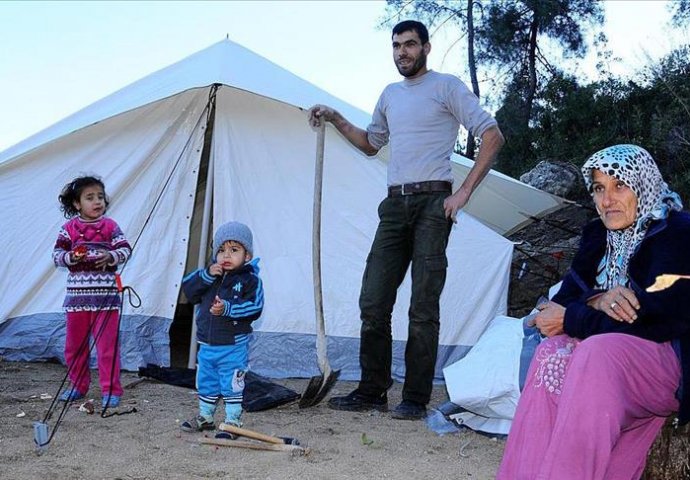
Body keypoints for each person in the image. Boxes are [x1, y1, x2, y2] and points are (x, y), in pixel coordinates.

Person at [308, 20, 505, 420]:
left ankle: (414, 398)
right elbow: (370, 143)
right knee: (373, 299)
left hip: (434, 203)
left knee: (423, 305)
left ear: (426, 48)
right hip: (394, 205)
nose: (402, 52)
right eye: (396, 46)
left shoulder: (447, 86)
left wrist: (463, 191)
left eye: (410, 45)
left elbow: (492, 134)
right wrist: (335, 117)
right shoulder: (389, 95)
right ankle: (372, 390)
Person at [496, 144, 690, 480]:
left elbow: (659, 318)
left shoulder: (677, 231)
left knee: (597, 352)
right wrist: (595, 300)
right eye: (599, 188)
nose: (607, 200)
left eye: (620, 186)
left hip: (668, 360)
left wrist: (574, 317)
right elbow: (562, 301)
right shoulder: (597, 236)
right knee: (550, 352)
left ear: (643, 184)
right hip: (606, 362)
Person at [53, 175, 132, 409]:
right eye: (90, 197)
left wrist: (112, 256)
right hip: (77, 301)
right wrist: (71, 257)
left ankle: (110, 390)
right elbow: (57, 256)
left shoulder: (110, 226)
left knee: (107, 347)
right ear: (77, 204)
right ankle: (78, 385)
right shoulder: (69, 229)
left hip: (106, 300)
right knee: (74, 346)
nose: (97, 201)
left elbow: (126, 249)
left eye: (100, 197)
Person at [180, 221, 264, 436]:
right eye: (221, 250)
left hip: (233, 345)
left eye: (234, 250)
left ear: (246, 255)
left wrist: (228, 308)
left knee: (231, 383)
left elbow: (255, 307)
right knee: (206, 381)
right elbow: (188, 290)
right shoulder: (210, 275)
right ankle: (206, 416)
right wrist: (206, 275)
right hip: (207, 344)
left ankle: (233, 421)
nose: (226, 255)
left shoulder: (250, 280)